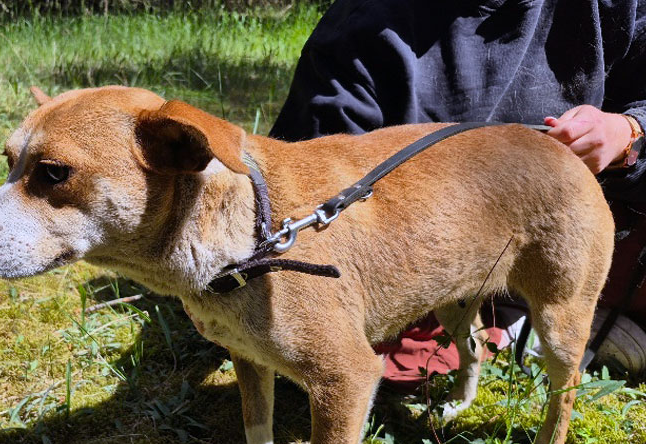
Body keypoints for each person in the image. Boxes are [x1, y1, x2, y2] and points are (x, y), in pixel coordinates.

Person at [270, 0, 646, 386]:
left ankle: (558, 312)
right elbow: (305, 201)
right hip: (423, 256)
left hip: (582, 221)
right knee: (378, 353)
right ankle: (512, 320)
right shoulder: (361, 26)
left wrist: (628, 133)